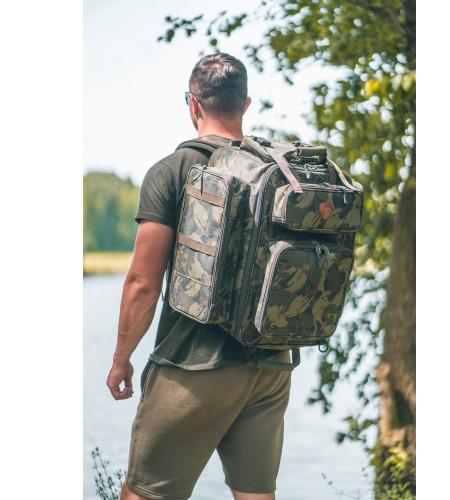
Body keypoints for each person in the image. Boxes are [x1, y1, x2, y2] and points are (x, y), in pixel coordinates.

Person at [107, 53, 292, 500]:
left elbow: (142, 282)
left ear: (193, 104)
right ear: (245, 105)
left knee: (143, 494)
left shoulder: (173, 170)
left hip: (194, 365)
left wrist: (121, 358)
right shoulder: (277, 172)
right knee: (255, 494)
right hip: (270, 365)